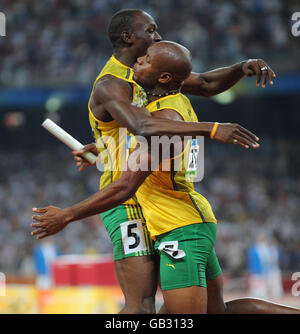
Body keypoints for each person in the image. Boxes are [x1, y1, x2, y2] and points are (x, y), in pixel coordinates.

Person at [31, 41, 300, 314]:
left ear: (163, 77)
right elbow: (151, 138)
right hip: (188, 222)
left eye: (146, 60)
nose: (137, 62)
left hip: (179, 229)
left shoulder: (165, 118)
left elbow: (125, 186)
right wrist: (106, 148)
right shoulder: (166, 106)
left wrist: (66, 215)